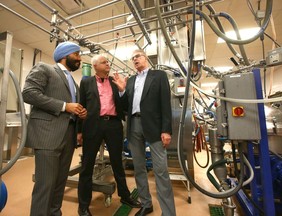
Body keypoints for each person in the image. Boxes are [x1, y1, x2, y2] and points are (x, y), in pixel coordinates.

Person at [22, 41, 87, 216]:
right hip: (47, 136)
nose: (79, 58)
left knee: (59, 183)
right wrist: (65, 106)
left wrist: (79, 112)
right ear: (65, 55)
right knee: (46, 185)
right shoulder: (45, 69)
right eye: (77, 54)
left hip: (68, 137)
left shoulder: (74, 82)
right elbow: (28, 93)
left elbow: (71, 107)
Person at [113, 49, 176, 216]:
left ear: (145, 58)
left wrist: (166, 130)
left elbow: (165, 104)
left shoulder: (159, 76)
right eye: (132, 58)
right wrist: (121, 91)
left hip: (154, 127)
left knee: (160, 170)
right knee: (139, 168)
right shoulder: (131, 80)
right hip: (134, 125)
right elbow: (125, 107)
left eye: (137, 56)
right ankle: (146, 204)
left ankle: (168, 212)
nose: (135, 60)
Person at [77, 54, 141, 216]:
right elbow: (80, 106)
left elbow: (124, 107)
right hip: (93, 125)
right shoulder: (86, 82)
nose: (108, 64)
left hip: (113, 124)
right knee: (87, 165)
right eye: (104, 62)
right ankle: (83, 205)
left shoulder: (114, 81)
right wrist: (79, 130)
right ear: (95, 66)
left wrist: (122, 91)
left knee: (118, 163)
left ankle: (125, 196)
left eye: (108, 62)